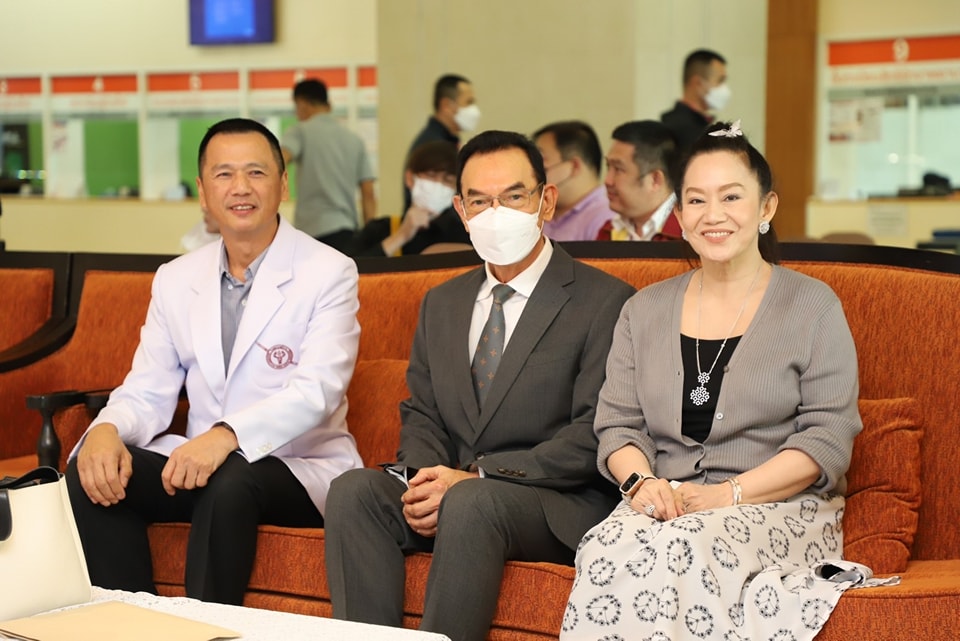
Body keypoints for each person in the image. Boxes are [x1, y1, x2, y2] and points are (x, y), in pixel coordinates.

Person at [325, 130, 635, 641]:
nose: (497, 213)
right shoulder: (442, 302)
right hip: (457, 491)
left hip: (553, 501)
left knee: (472, 501)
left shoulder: (604, 300)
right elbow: (423, 411)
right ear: (461, 210)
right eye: (480, 201)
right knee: (353, 491)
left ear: (546, 201)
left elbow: (594, 433)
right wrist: (426, 481)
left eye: (513, 197)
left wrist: (474, 477)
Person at [561, 121, 864, 640]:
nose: (713, 214)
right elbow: (619, 426)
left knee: (688, 547)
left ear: (766, 207)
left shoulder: (812, 306)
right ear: (680, 216)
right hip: (668, 503)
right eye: (697, 201)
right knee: (604, 548)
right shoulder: (643, 310)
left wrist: (730, 494)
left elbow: (826, 439)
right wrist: (643, 485)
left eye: (731, 197)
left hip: (781, 509)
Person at [65, 118, 364, 606]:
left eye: (256, 172)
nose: (240, 187)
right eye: (224, 174)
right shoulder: (176, 278)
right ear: (203, 192)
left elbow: (318, 391)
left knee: (230, 477)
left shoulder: (329, 271)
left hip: (297, 466)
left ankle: (206, 630)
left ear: (283, 184)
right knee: (92, 470)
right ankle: (133, 624)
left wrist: (226, 436)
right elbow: (148, 388)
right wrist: (107, 429)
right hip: (201, 464)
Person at [281, 79, 376, 253]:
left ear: (302, 104)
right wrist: (369, 237)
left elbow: (279, 161)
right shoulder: (354, 140)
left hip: (312, 234)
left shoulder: (300, 131)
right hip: (347, 234)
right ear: (328, 105)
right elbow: (368, 192)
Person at [350, 141, 469, 256]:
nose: (438, 184)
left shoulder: (466, 233)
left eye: (448, 180)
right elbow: (351, 267)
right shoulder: (381, 230)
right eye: (431, 176)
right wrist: (401, 236)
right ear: (409, 178)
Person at [596, 120, 682, 241]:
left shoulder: (689, 235)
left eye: (618, 169)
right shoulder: (609, 232)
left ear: (655, 180)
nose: (607, 181)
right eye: (608, 167)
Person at [403, 74, 479, 209]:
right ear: (446, 105)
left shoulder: (447, 141)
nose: (474, 110)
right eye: (468, 102)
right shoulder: (433, 146)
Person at [533, 121, 616, 242]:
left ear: (574, 167)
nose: (535, 175)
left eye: (542, 166)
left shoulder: (606, 218)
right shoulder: (540, 211)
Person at [661, 49, 729, 152]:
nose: (724, 89)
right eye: (720, 81)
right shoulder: (679, 132)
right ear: (697, 83)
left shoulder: (703, 126)